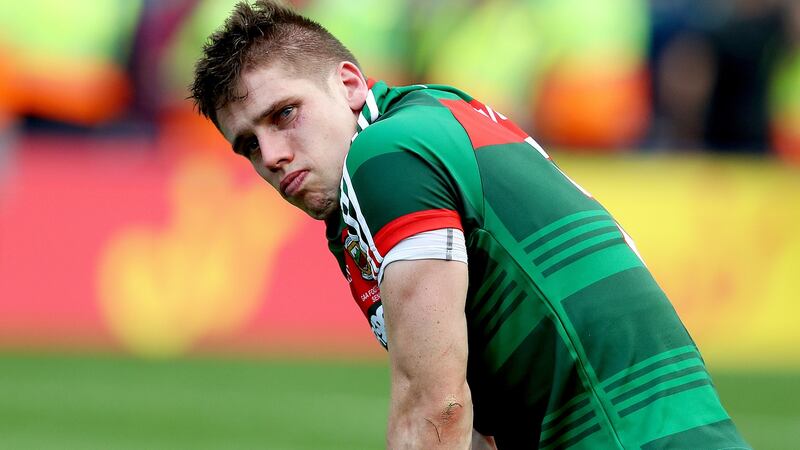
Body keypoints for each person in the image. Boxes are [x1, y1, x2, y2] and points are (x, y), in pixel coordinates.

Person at [190, 1, 751, 448]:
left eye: (284, 114)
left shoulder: (385, 156)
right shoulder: (437, 116)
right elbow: (473, 417)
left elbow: (435, 407)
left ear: (351, 84)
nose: (272, 155)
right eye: (248, 145)